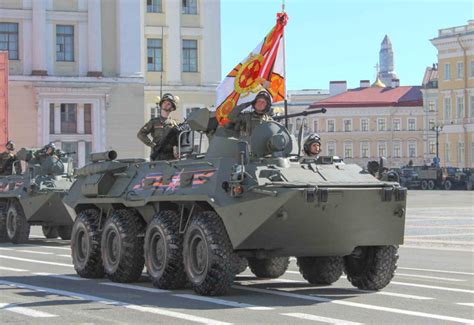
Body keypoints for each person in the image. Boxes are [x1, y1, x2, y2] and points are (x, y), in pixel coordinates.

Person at [137, 93, 179, 161]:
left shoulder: (174, 124)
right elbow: (141, 134)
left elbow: (177, 141)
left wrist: (176, 149)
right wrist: (152, 144)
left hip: (170, 157)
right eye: (164, 102)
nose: (165, 104)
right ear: (161, 105)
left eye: (168, 104)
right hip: (157, 155)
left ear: (171, 108)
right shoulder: (154, 122)